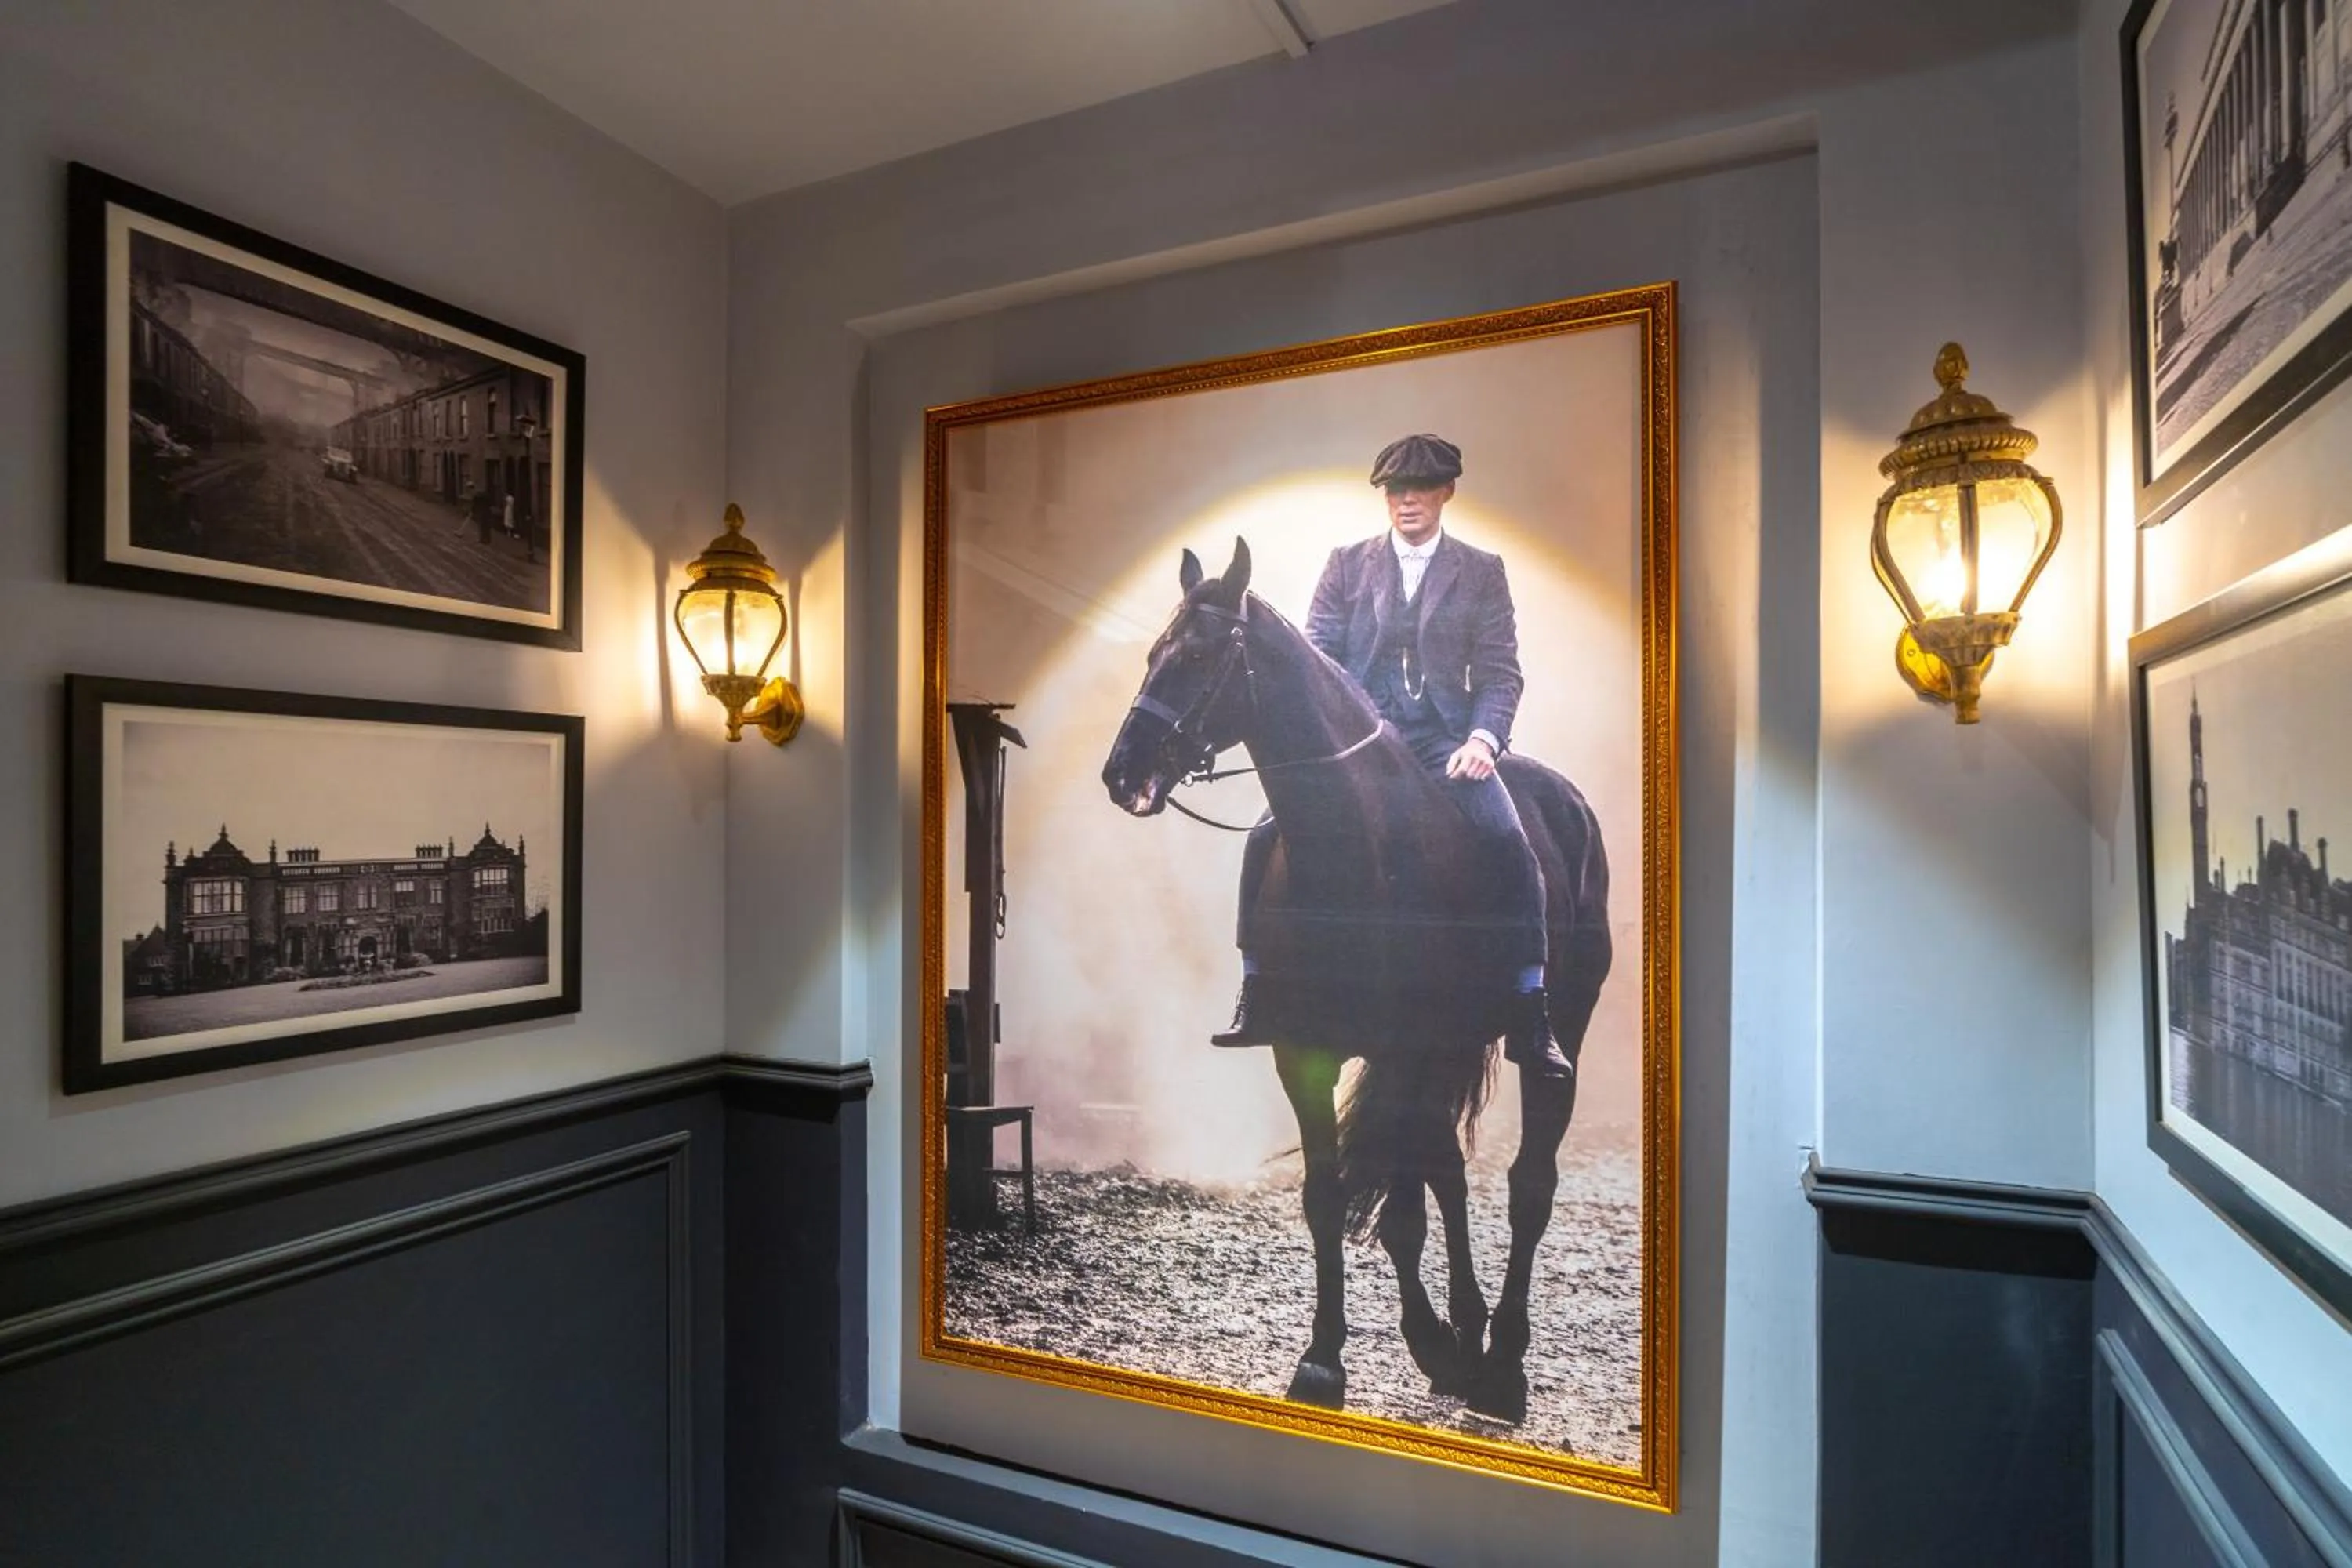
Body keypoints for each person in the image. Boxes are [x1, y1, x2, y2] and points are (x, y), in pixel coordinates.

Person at [1210, 433, 1568, 1077]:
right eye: (1396, 490)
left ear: (1446, 492)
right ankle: (1256, 989)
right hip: (1358, 744)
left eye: (1422, 488)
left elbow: (1499, 672)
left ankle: (1530, 1005)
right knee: (1263, 838)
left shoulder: (1481, 571)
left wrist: (1483, 741)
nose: (1408, 500)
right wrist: (1330, 737)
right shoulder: (1347, 565)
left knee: (1509, 840)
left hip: (1443, 746)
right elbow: (1317, 660)